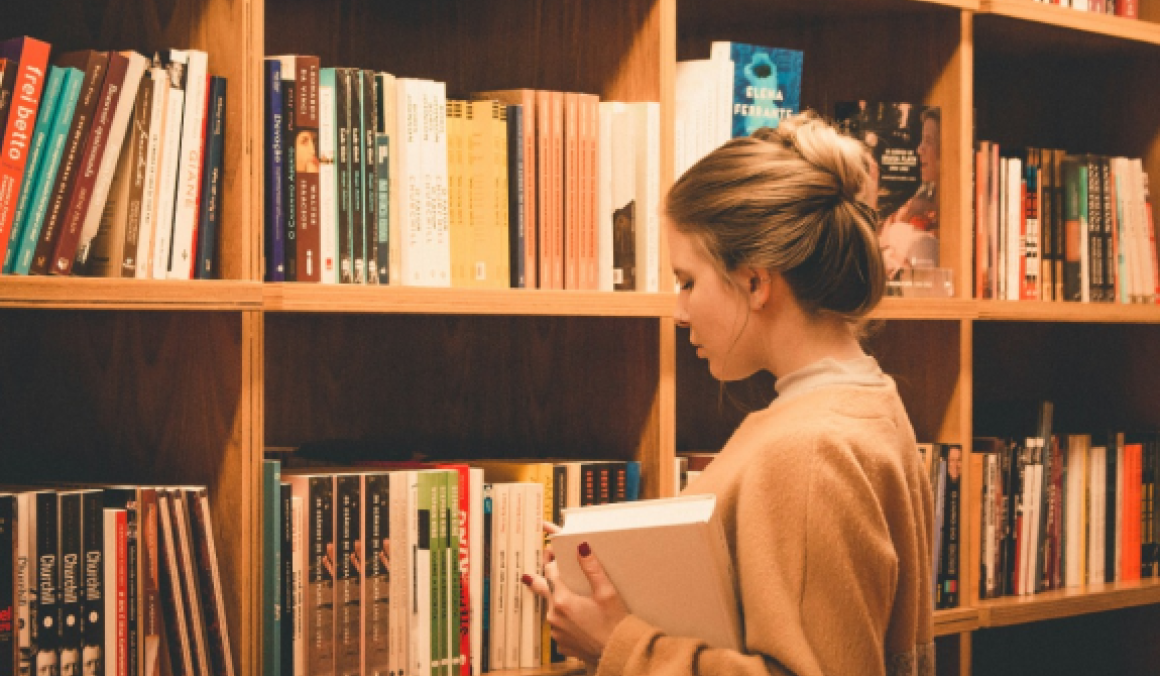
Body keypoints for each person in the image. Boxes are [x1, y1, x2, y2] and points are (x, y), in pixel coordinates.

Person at [522, 112, 935, 676]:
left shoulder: (812, 450)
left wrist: (618, 644)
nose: (678, 310)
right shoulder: (865, 402)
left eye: (688, 281)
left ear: (756, 282)